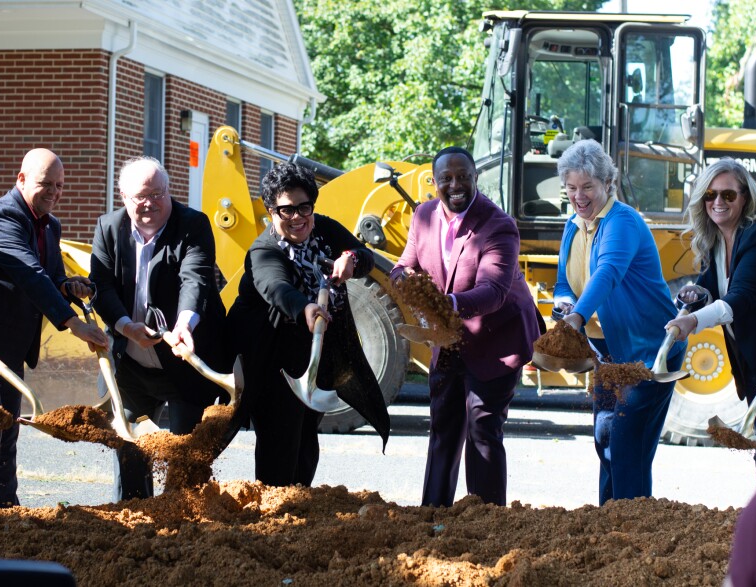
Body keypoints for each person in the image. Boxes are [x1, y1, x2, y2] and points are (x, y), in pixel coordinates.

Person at [0, 148, 108, 511]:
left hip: (13, 348)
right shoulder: (1, 219)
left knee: (8, 431)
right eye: (44, 184)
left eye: (59, 185)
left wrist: (68, 287)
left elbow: (49, 277)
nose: (53, 191)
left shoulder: (50, 225)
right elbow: (29, 276)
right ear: (21, 180)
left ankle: (6, 511)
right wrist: (73, 323)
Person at [390, 146, 541, 507]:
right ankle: (432, 513)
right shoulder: (423, 215)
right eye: (447, 178)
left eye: (463, 177)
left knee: (481, 428)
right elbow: (405, 264)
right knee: (443, 424)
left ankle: (485, 520)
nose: (455, 185)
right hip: (450, 336)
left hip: (497, 337)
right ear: (435, 181)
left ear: (476, 178)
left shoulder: (498, 225)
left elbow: (494, 290)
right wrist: (403, 281)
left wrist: (445, 304)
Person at [227, 162, 389, 487]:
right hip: (271, 360)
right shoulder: (264, 250)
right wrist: (305, 308)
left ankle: (299, 512)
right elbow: (276, 288)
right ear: (271, 212)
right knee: (280, 444)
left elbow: (363, 255)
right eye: (286, 210)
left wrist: (352, 260)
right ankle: (275, 519)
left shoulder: (324, 230)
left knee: (305, 442)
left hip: (314, 360)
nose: (298, 217)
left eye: (304, 207)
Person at [552, 139, 686, 505]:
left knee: (627, 444)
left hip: (649, 351)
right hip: (607, 352)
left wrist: (578, 316)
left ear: (607, 184)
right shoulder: (573, 226)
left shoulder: (622, 221)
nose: (579, 196)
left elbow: (608, 272)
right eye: (572, 188)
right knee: (606, 440)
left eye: (587, 187)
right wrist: (565, 305)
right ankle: (609, 529)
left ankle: (634, 535)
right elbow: (565, 283)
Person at [90, 156, 228, 500]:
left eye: (159, 194)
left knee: (186, 458)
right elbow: (101, 287)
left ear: (169, 193)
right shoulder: (109, 227)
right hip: (131, 363)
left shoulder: (193, 224)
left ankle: (186, 531)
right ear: (123, 196)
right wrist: (124, 326)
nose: (150, 203)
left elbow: (195, 278)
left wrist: (184, 324)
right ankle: (134, 523)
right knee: (131, 453)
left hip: (183, 361)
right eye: (141, 196)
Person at [664, 158, 756, 484]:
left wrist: (693, 322)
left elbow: (741, 298)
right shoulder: (720, 241)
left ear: (744, 197)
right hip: (752, 369)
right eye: (710, 195)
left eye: (728, 195)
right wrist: (698, 292)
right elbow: (714, 283)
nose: (717, 202)